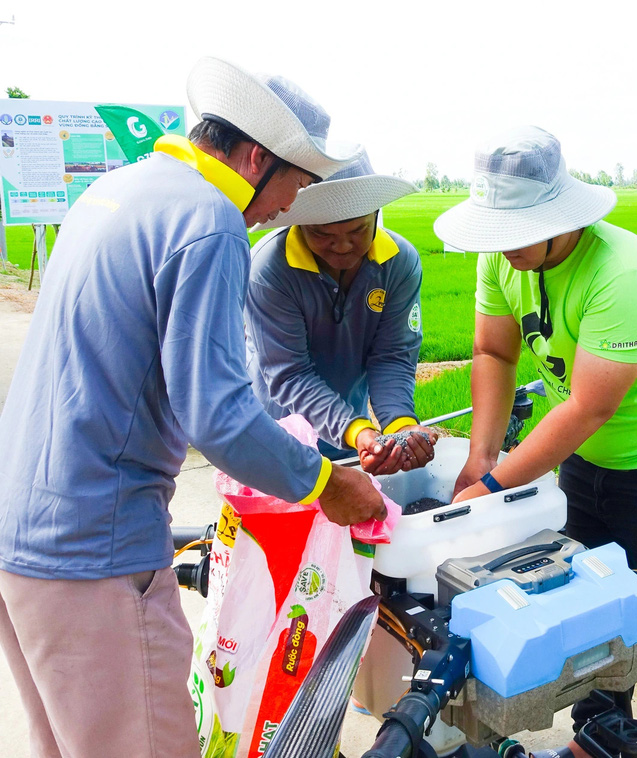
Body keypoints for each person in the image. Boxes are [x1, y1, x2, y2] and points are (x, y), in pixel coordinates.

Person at [0, 57, 384, 758]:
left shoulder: (117, 191)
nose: (285, 209)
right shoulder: (209, 221)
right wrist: (330, 484)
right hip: (95, 550)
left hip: (21, 538)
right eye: (295, 186)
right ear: (257, 159)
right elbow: (222, 415)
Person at [434, 126, 637, 758]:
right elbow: (492, 350)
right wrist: (482, 456)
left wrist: (492, 486)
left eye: (513, 233)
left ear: (557, 218)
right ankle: (599, 738)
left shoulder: (623, 268)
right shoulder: (502, 257)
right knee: (586, 598)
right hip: (586, 461)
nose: (501, 248)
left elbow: (591, 405)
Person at [246, 150, 438, 474]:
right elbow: (289, 373)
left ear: (376, 214)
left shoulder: (399, 263)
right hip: (276, 434)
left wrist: (400, 425)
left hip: (347, 433)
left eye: (357, 231)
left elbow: (392, 355)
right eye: (322, 234)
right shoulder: (269, 270)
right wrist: (357, 429)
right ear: (299, 222)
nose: (342, 247)